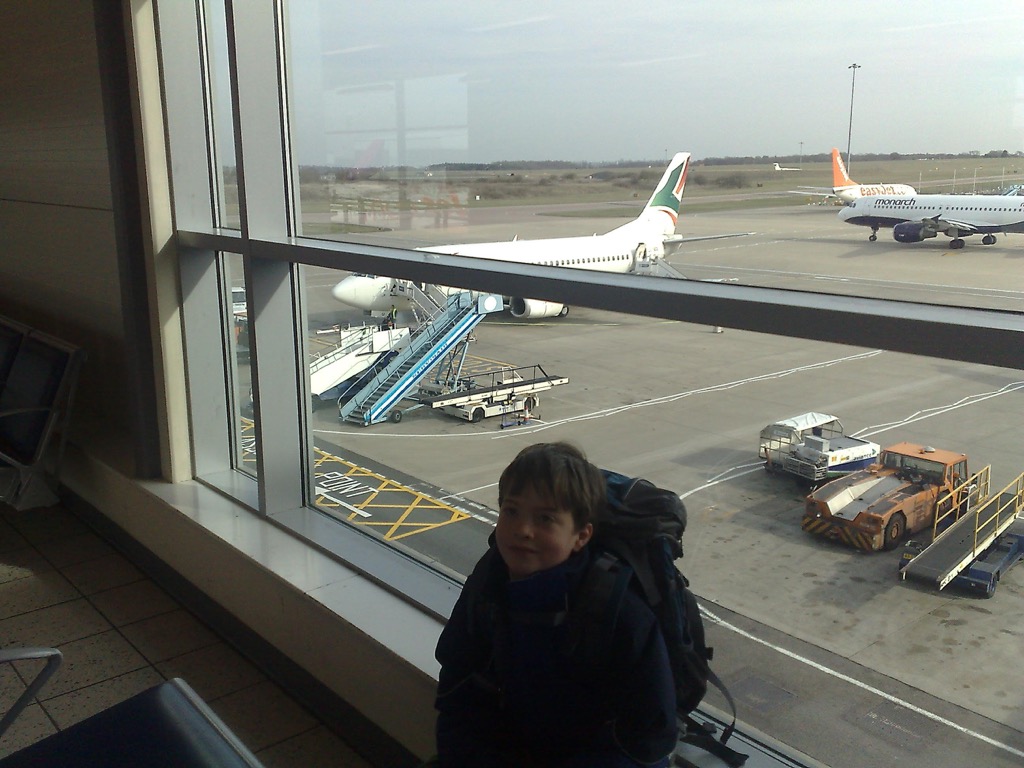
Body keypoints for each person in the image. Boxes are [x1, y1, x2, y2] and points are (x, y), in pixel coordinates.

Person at [434, 442, 677, 768]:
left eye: (545, 519)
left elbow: (646, 741)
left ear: (581, 536)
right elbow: (458, 686)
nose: (522, 530)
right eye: (511, 511)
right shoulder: (489, 583)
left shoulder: (619, 612)